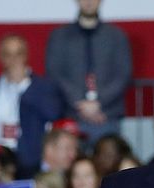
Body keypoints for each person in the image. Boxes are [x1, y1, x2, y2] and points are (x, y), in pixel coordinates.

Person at [0, 35, 62, 177]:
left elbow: (53, 114)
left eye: (18, 54)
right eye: (7, 55)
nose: (13, 60)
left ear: (26, 56)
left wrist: (22, 86)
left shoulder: (43, 87)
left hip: (30, 163)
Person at [45, 0, 132, 142]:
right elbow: (54, 73)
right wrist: (79, 102)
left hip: (107, 116)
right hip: (70, 116)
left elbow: (123, 75)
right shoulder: (59, 37)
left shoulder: (117, 37)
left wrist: (99, 103)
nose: (89, 1)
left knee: (108, 161)